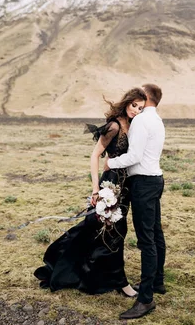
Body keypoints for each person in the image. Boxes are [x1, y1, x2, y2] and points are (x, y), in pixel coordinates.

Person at [33, 87, 147, 298]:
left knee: (102, 232)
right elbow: (95, 156)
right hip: (110, 186)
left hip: (125, 188)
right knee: (114, 232)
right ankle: (121, 283)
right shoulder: (113, 126)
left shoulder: (134, 124)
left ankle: (86, 271)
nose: (136, 110)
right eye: (134, 105)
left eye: (141, 108)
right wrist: (96, 190)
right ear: (127, 102)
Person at [106, 83, 166, 320]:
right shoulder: (157, 119)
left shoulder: (141, 120)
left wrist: (111, 163)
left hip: (143, 183)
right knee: (156, 234)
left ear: (147, 97)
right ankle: (157, 282)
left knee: (146, 240)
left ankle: (146, 300)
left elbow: (135, 156)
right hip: (155, 180)